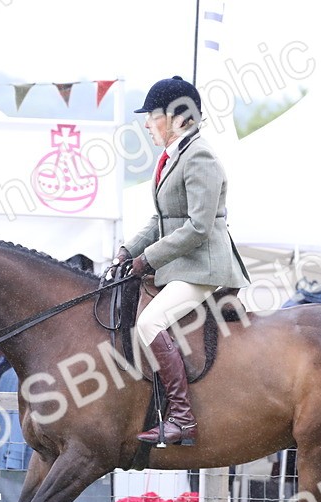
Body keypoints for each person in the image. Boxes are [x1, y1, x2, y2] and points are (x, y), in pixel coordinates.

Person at [115, 75, 250, 447]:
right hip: (182, 265)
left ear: (179, 117)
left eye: (152, 115)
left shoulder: (200, 157)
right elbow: (161, 220)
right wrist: (129, 251)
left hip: (204, 267)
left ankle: (182, 420)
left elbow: (199, 227)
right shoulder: (174, 157)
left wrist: (148, 259)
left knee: (149, 321)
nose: (146, 123)